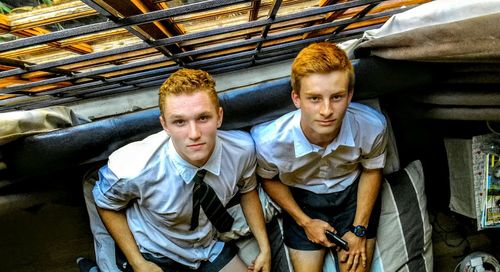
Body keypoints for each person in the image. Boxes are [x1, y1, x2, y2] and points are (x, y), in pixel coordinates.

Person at [83, 68, 271, 272]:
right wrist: (139, 263)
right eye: (179, 121)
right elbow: (105, 204)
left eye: (203, 118)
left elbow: (248, 191)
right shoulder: (135, 168)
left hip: (206, 246)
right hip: (155, 252)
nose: (194, 134)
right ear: (164, 124)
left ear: (219, 116)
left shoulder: (241, 150)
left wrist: (265, 247)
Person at [250, 42, 387, 272]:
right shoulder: (268, 141)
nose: (326, 111)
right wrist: (305, 222)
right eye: (314, 98)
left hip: (352, 193)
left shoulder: (372, 126)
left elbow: (372, 170)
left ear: (350, 95)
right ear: (296, 98)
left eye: (337, 97)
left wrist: (359, 230)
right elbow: (269, 178)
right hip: (302, 199)